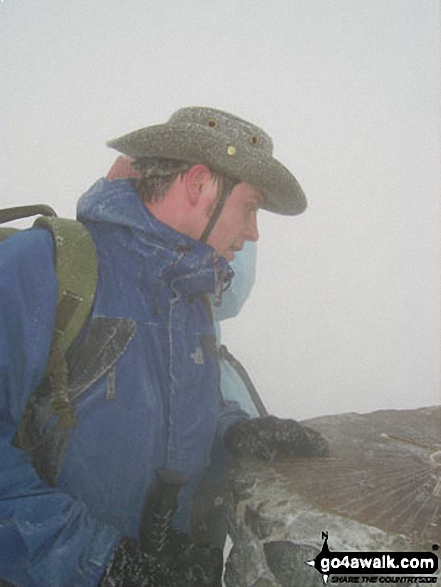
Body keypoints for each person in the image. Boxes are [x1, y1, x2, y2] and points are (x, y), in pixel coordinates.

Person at [0, 107, 328, 587]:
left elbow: (163, 409)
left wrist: (234, 432)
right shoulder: (42, 269)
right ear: (198, 184)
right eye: (251, 206)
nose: (254, 231)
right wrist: (104, 564)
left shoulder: (189, 292)